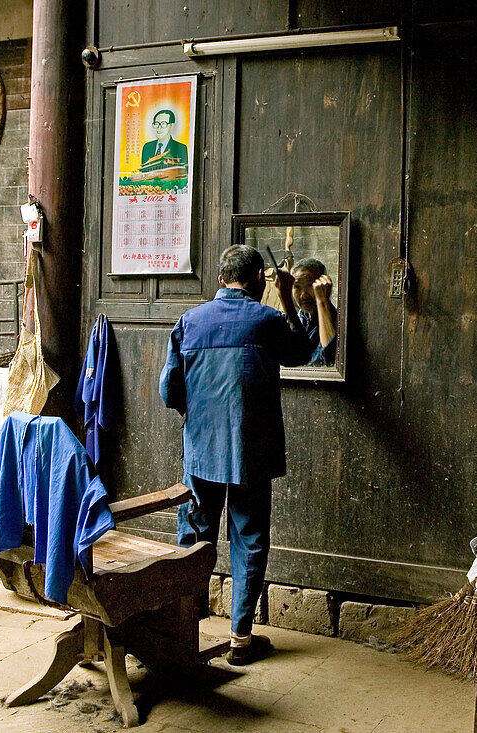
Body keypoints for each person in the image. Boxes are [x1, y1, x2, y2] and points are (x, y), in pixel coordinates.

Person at [159, 244, 312, 665]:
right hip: (251, 452)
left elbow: (168, 391)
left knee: (195, 538)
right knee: (249, 538)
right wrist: (290, 299)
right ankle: (240, 640)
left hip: (202, 451)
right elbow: (303, 352)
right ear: (259, 279)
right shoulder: (267, 320)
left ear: (221, 279)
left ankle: (184, 627)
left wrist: (195, 414)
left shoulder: (189, 322)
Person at [290, 258, 337, 367]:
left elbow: (330, 360)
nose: (303, 295)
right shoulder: (297, 319)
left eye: (310, 285)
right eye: (297, 287)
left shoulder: (337, 319)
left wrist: (322, 301)